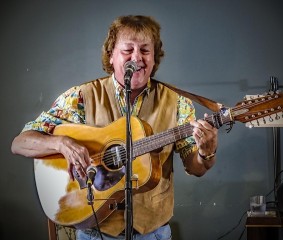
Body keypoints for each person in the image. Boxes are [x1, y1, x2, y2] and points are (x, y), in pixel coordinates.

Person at [11, 15, 218, 240]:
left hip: (153, 233)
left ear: (155, 58)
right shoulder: (81, 97)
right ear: (111, 56)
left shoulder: (177, 102)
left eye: (145, 50)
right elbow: (20, 143)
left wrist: (207, 153)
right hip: (95, 233)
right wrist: (62, 143)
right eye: (127, 50)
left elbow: (195, 167)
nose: (136, 57)